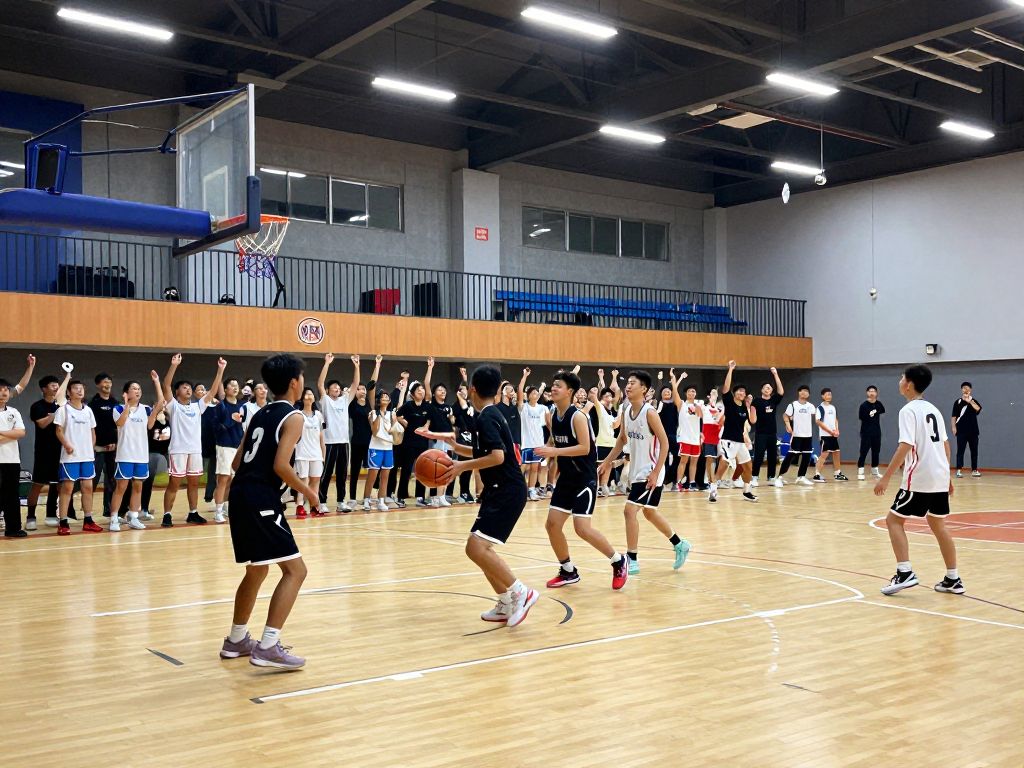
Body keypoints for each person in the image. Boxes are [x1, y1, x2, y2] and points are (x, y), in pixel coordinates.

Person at [220, 353, 317, 670]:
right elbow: (280, 465)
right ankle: (269, 645)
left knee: (258, 569)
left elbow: (236, 463)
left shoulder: (259, 414)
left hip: (240, 495)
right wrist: (308, 491)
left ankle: (236, 640)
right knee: (296, 571)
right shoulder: (294, 417)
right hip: (262, 499)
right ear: (295, 383)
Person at [435, 365, 537, 628]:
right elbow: (485, 451)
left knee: (476, 547)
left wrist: (459, 467)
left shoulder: (486, 418)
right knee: (478, 549)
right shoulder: (492, 413)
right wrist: (454, 446)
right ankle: (505, 601)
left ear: (472, 390)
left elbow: (497, 457)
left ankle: (520, 592)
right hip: (499, 491)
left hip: (507, 490)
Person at [873, 364, 962, 596]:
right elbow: (945, 445)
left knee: (893, 521)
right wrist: (947, 476)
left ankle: (905, 572)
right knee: (938, 525)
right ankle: (953, 578)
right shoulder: (933, 409)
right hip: (939, 476)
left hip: (919, 478)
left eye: (902, 377)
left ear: (909, 384)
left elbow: (906, 445)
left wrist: (886, 477)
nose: (900, 380)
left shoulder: (908, 410)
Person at [538, 370, 628, 590]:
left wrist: (553, 452)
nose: (553, 388)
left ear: (570, 391)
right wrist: (545, 451)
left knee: (582, 528)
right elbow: (556, 442)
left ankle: (618, 560)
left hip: (584, 479)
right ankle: (568, 570)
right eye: (553, 384)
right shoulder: (553, 415)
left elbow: (584, 448)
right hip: (567, 478)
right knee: (552, 525)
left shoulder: (578, 416)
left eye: (558, 385)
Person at [600, 370, 689, 575]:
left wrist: (656, 472)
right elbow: (622, 440)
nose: (628, 386)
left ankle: (632, 559)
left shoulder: (649, 412)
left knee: (629, 511)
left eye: (633, 383)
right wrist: (606, 462)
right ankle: (679, 543)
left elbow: (665, 443)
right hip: (638, 470)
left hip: (650, 471)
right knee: (649, 512)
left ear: (644, 389)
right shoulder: (625, 410)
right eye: (628, 383)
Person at [161, 354, 226, 527]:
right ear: (177, 392)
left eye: (189, 387)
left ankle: (193, 512)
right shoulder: (173, 405)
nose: (188, 389)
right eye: (183, 387)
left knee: (194, 483)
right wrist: (173, 364)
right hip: (177, 450)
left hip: (195, 450)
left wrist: (220, 369)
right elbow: (165, 384)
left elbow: (212, 391)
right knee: (174, 483)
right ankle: (167, 515)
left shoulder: (198, 406)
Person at [108, 372, 165, 531]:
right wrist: (127, 406)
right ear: (126, 393)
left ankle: (133, 517)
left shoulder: (146, 409)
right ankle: (114, 518)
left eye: (139, 389)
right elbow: (120, 423)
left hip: (141, 455)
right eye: (134, 388)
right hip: (125, 455)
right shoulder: (118, 408)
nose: (138, 391)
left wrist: (157, 382)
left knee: (138, 486)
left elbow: (160, 404)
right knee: (121, 487)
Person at [53, 379, 99, 535]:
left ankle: (88, 520)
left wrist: (90, 448)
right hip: (69, 457)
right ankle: (63, 521)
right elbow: (58, 430)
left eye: (82, 388)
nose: (80, 391)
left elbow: (93, 432)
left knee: (88, 487)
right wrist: (66, 445)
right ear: (68, 392)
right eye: (76, 388)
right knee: (67, 488)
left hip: (86, 456)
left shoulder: (88, 411)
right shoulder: (63, 410)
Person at [26, 370, 70, 530]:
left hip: (60, 450)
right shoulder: (37, 406)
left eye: (57, 385)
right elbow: (42, 424)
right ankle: (30, 516)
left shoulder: (64, 405)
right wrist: (55, 412)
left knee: (58, 484)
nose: (56, 388)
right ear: (44, 389)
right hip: (44, 450)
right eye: (53, 385)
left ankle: (52, 514)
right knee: (37, 484)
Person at [318, 353, 361, 513]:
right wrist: (327, 363)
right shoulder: (325, 401)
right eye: (333, 387)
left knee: (342, 474)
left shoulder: (345, 399)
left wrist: (356, 366)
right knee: (326, 473)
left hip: (344, 442)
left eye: (338, 386)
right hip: (329, 442)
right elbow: (320, 383)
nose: (336, 388)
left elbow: (355, 384)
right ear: (328, 391)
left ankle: (341, 501)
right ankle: (321, 501)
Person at [709, 361, 758, 503]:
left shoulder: (744, 407)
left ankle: (747, 491)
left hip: (740, 441)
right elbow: (725, 388)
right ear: (735, 393)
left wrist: (751, 407)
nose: (742, 393)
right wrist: (730, 369)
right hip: (728, 439)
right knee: (724, 463)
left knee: (748, 466)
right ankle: (713, 487)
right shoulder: (729, 402)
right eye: (739, 391)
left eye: (744, 391)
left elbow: (752, 421)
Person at [395, 358, 434, 507]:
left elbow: (430, 417)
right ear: (412, 393)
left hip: (423, 442)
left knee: (421, 470)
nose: (421, 392)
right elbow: (397, 414)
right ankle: (401, 497)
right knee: (406, 470)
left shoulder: (427, 406)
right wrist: (404, 423)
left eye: (422, 390)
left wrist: (426, 425)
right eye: (418, 390)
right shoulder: (408, 405)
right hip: (409, 442)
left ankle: (420, 498)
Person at [347, 355, 382, 506]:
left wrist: (378, 364)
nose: (362, 390)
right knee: (354, 471)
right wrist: (357, 366)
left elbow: (373, 384)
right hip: (356, 442)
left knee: (374, 469)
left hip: (371, 442)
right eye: (359, 388)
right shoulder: (351, 405)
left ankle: (369, 495)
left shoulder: (370, 403)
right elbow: (355, 385)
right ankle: (353, 498)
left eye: (363, 388)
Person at [211, 377, 246, 523]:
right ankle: (218, 510)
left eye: (237, 385)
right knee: (223, 479)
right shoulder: (221, 406)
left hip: (238, 446)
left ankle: (226, 506)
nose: (235, 387)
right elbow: (217, 426)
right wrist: (232, 421)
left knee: (235, 480)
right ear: (225, 389)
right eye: (231, 385)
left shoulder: (243, 406)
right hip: (225, 445)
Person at [89, 372, 119, 518]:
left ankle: (109, 509)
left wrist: (116, 443)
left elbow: (119, 425)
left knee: (112, 480)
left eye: (109, 381)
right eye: (104, 382)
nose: (107, 384)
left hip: (113, 449)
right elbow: (91, 428)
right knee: (92, 480)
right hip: (97, 449)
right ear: (98, 385)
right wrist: (95, 445)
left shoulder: (115, 403)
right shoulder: (93, 404)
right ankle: (87, 512)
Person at [0, 378, 28, 537]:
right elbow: (15, 433)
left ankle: (13, 528)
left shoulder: (13, 412)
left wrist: (2, 434)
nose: (3, 392)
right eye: (0, 389)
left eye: (5, 389)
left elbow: (21, 432)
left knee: (11, 494)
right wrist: (11, 434)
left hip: (11, 460)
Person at [750, 367, 784, 488]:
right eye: (765, 387)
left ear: (771, 390)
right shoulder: (757, 401)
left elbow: (781, 391)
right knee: (758, 455)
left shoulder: (774, 400)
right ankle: (754, 477)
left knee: (772, 456)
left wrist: (775, 374)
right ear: (762, 390)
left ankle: (771, 477)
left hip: (772, 433)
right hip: (760, 433)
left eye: (769, 388)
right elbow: (752, 419)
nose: (767, 389)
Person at [364, 390, 397, 512]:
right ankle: (367, 499)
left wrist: (396, 421)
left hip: (388, 448)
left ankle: (381, 500)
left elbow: (394, 431)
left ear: (389, 401)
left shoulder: (392, 414)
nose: (385, 397)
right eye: (382, 396)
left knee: (385, 477)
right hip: (375, 447)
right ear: (378, 401)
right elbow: (374, 431)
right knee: (372, 476)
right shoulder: (373, 413)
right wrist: (378, 415)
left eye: (386, 396)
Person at [670, 369, 702, 491]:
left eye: (693, 391)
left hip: (695, 438)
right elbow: (674, 392)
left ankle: (692, 482)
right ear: (686, 393)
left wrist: (697, 407)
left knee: (694, 461)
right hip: (684, 437)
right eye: (689, 391)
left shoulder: (700, 403)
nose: (692, 393)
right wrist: (676, 379)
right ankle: (678, 483)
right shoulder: (681, 404)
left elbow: (700, 415)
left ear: (695, 394)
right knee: (683, 460)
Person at [519, 369, 548, 501]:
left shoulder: (542, 408)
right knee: (523, 467)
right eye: (533, 392)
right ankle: (519, 490)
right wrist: (525, 376)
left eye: (537, 392)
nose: (535, 394)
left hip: (538, 443)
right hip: (526, 443)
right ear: (528, 395)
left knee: (535, 467)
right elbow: (520, 390)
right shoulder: (523, 407)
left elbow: (549, 423)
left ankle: (531, 490)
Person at [779, 385, 817, 486]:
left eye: (806, 391)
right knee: (790, 455)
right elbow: (785, 415)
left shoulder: (811, 406)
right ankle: (780, 476)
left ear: (808, 394)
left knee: (806, 456)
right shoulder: (793, 405)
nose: (804, 393)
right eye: (802, 391)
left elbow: (816, 417)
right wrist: (788, 426)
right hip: (796, 435)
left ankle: (801, 477)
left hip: (808, 435)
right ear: (799, 393)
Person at [427, 381, 457, 506]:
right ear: (434, 394)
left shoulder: (448, 407)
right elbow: (427, 386)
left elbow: (453, 423)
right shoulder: (431, 406)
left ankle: (442, 496)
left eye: (444, 390)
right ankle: (433, 496)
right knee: (436, 469)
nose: (443, 391)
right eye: (439, 390)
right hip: (436, 440)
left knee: (446, 468)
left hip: (448, 440)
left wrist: (452, 420)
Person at [141, 409, 170, 522]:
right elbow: (156, 438)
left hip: (159, 454)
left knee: (148, 483)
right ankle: (140, 509)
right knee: (145, 483)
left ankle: (144, 509)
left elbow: (165, 440)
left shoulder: (167, 421)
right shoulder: (152, 420)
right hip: (149, 453)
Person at [813, 388, 848, 482]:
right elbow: (818, 422)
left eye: (830, 394)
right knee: (824, 454)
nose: (829, 396)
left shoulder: (833, 407)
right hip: (825, 435)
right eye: (827, 394)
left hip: (833, 435)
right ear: (822, 396)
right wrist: (830, 431)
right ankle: (817, 474)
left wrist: (837, 430)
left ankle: (837, 473)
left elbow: (835, 419)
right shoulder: (820, 408)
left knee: (836, 452)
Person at [951, 382, 982, 478]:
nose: (966, 390)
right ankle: (959, 470)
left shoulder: (974, 401)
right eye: (964, 388)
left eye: (968, 388)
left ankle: (974, 470)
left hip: (973, 431)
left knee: (974, 451)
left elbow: (978, 409)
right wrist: (953, 427)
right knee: (960, 451)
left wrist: (970, 401)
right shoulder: (958, 402)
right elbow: (953, 417)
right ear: (961, 390)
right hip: (961, 431)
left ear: (971, 390)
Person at [655, 381, 680, 491]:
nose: (667, 393)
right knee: (663, 459)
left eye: (669, 391)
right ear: (661, 394)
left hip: (674, 435)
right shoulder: (658, 405)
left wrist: (675, 381)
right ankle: (662, 482)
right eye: (664, 391)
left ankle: (674, 481)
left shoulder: (675, 405)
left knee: (677, 459)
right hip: (662, 436)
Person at [857, 386, 886, 480]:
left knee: (876, 451)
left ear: (876, 393)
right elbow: (861, 417)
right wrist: (871, 413)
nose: (872, 393)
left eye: (874, 391)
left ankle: (875, 471)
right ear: (867, 393)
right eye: (870, 391)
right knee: (864, 451)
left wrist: (875, 411)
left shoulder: (878, 404)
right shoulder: (863, 405)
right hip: (866, 431)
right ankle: (860, 471)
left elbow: (882, 410)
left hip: (876, 431)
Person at [700, 388, 724, 490]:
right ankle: (710, 480)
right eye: (712, 393)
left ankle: (717, 479)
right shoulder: (703, 407)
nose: (714, 394)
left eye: (716, 393)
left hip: (719, 436)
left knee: (722, 459)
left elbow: (722, 422)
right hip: (708, 435)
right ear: (708, 396)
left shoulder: (720, 409)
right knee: (709, 458)